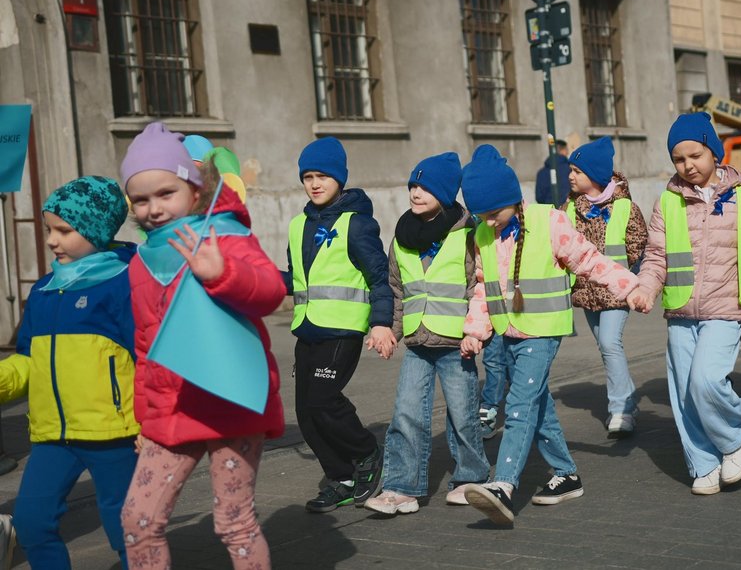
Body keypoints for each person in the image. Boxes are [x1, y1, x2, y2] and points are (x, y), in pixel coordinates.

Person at [119, 122, 285, 568]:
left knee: (234, 523)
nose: (153, 208)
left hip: (231, 401)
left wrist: (222, 274)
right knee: (138, 518)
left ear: (194, 189)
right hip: (172, 408)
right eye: (141, 199)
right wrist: (144, 417)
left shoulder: (224, 234)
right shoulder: (140, 262)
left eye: (165, 193)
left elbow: (270, 291)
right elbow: (144, 345)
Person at [456, 144, 640, 526]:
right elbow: (482, 287)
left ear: (512, 198)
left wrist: (630, 286)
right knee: (537, 403)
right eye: (481, 216)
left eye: (494, 213)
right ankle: (566, 475)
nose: (489, 222)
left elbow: (589, 260)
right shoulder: (482, 234)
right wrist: (475, 331)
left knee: (520, 403)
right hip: (508, 332)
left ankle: (503, 484)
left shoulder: (549, 221)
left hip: (544, 331)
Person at [629, 112, 741, 496]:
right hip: (680, 310)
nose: (688, 165)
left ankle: (737, 433)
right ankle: (703, 463)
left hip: (726, 307)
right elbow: (656, 256)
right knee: (685, 393)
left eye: (695, 155)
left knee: (706, 380)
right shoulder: (667, 202)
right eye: (679, 159)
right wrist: (645, 288)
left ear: (715, 152)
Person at [0, 176, 137, 568]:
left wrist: (153, 423)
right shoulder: (41, 291)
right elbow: (28, 361)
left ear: (96, 229)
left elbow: (148, 358)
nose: (51, 240)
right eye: (48, 229)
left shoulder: (124, 283)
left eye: (64, 229)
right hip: (52, 436)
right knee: (31, 521)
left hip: (114, 434)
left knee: (129, 529)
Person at [364, 153, 490, 515]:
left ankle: (471, 478)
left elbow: (476, 286)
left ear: (447, 193)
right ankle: (401, 487)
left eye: (426, 186)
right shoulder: (402, 236)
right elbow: (397, 289)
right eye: (413, 186)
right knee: (406, 413)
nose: (416, 192)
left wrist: (475, 332)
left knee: (463, 413)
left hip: (457, 344)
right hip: (418, 342)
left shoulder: (469, 233)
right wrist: (389, 329)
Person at [283, 136, 395, 513]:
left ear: (340, 179)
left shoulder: (357, 224)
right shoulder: (297, 225)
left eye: (323, 176)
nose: (315, 183)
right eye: (308, 176)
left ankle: (366, 452)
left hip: (343, 331)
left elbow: (379, 278)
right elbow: (296, 278)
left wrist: (381, 324)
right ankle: (341, 477)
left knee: (324, 401)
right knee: (305, 414)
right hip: (307, 328)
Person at [563, 136, 648, 437]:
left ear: (596, 176)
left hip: (618, 292)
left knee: (611, 343)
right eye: (570, 170)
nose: (571, 176)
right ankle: (628, 398)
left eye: (577, 171)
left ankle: (621, 410)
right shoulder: (569, 209)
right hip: (587, 293)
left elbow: (640, 250)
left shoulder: (626, 208)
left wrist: (635, 284)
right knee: (605, 348)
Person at [535, 139, 571, 207]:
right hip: (567, 210)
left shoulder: (541, 172)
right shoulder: (570, 170)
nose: (567, 152)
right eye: (567, 150)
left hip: (548, 211)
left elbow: (539, 197)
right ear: (563, 150)